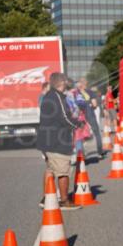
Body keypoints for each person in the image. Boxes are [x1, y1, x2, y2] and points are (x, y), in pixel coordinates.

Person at [37, 72, 83, 210]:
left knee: (50, 170)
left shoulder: (49, 96)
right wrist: (78, 124)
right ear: (62, 82)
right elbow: (64, 117)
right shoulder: (57, 97)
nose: (67, 83)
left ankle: (46, 198)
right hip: (57, 141)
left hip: (47, 141)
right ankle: (64, 201)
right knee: (63, 172)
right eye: (66, 81)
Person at [75, 76, 104, 157]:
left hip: (80, 116)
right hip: (90, 114)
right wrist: (91, 106)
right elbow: (94, 104)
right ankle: (100, 152)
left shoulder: (76, 93)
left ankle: (81, 154)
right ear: (86, 83)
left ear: (80, 83)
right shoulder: (90, 92)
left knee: (80, 135)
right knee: (96, 133)